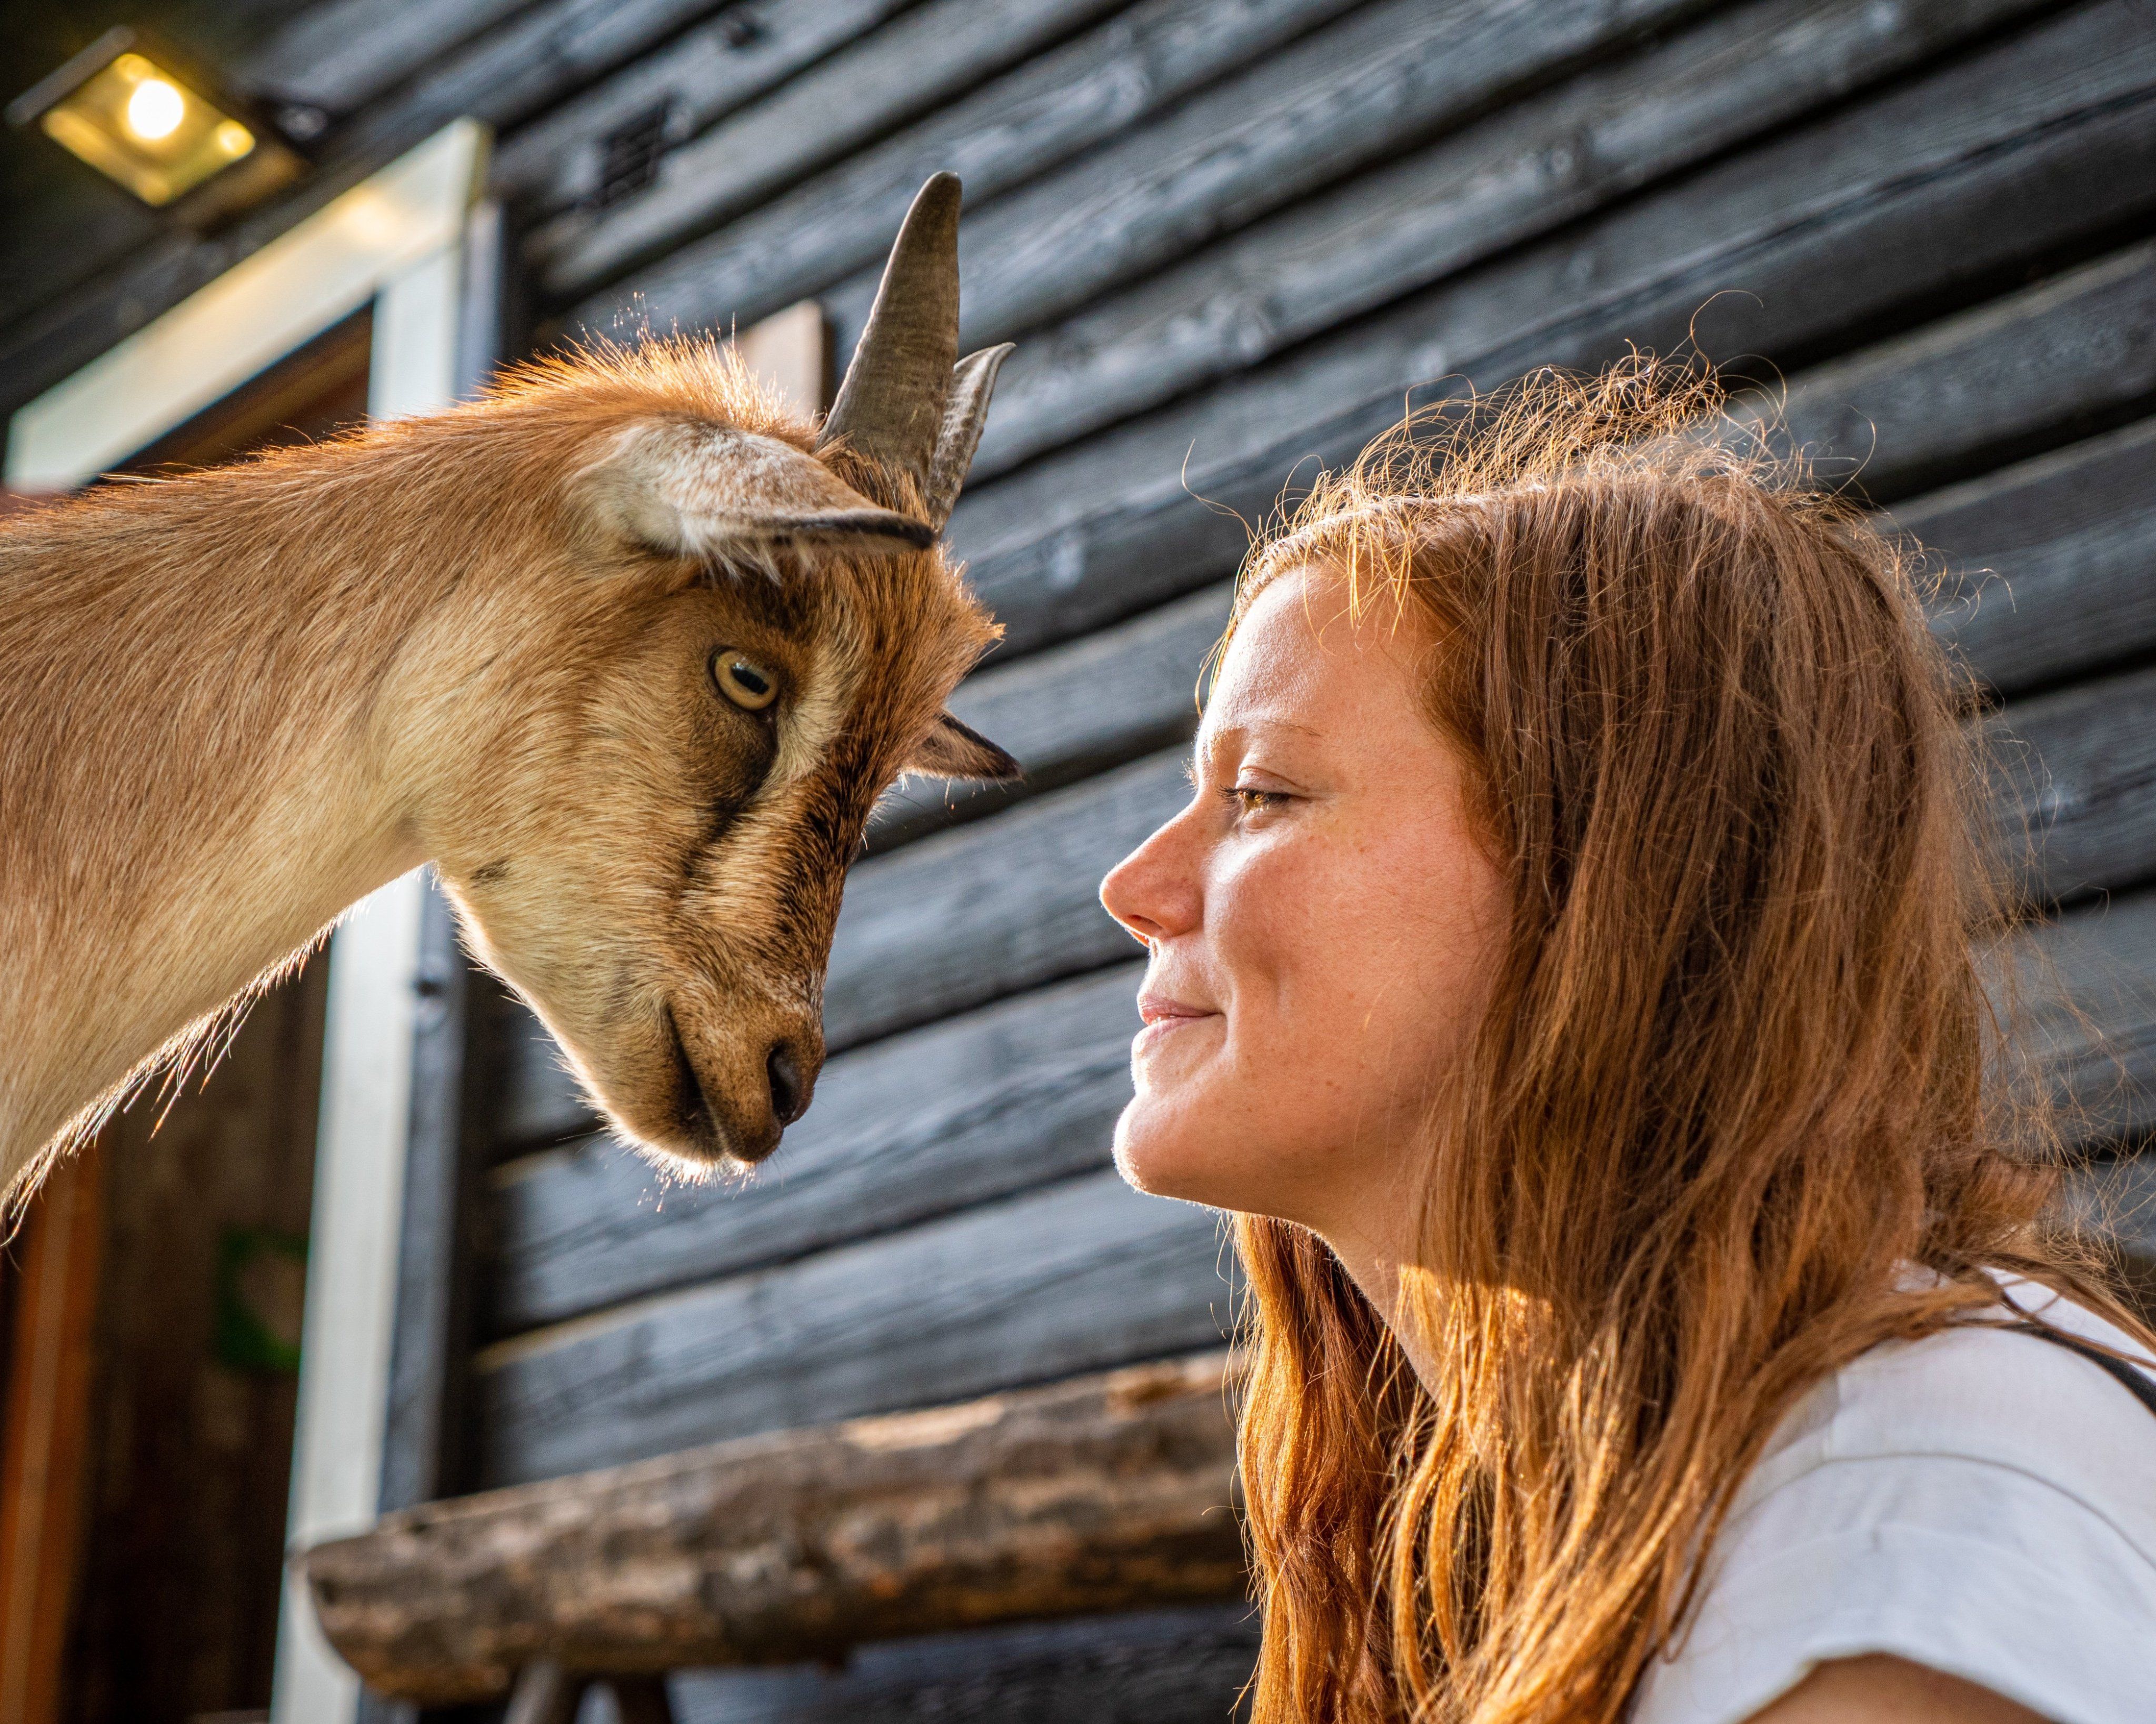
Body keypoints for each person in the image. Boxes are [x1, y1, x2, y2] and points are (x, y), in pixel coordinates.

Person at [1099, 360, 2156, 1724]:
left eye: (1262, 793)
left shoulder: (1914, 1519)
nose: (1134, 885)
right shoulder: (1647, 1501)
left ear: (1610, 879)